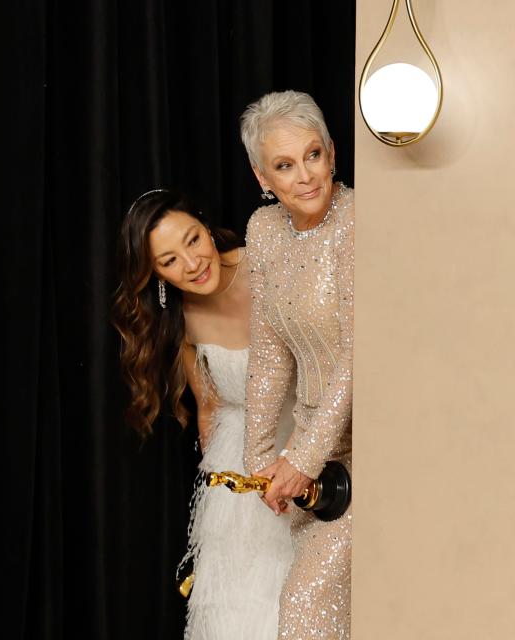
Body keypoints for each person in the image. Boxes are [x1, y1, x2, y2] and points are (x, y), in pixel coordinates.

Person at [112, 189, 293, 640]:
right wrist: (221, 500)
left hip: (307, 438)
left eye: (192, 240)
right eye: (169, 261)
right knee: (242, 606)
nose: (191, 264)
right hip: (239, 468)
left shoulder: (270, 262)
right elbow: (210, 407)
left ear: (204, 224)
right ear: (154, 274)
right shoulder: (179, 319)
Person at [239, 90, 354, 638]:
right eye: (284, 165)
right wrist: (261, 457)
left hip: (372, 448)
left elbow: (363, 350)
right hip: (314, 457)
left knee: (307, 610)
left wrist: (303, 457)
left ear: (332, 152)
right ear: (262, 176)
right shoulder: (263, 231)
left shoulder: (360, 220)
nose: (305, 176)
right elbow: (268, 349)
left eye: (313, 155)